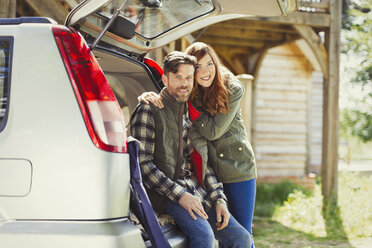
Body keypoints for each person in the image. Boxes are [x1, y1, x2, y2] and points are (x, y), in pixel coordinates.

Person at [139, 42, 257, 247]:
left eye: (188, 78)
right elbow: (143, 165)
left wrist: (219, 199)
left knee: (243, 237)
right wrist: (181, 195)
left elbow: (200, 160)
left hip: (230, 169)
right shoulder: (151, 109)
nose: (184, 83)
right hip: (167, 192)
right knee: (205, 236)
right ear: (165, 79)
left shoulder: (192, 109)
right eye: (178, 77)